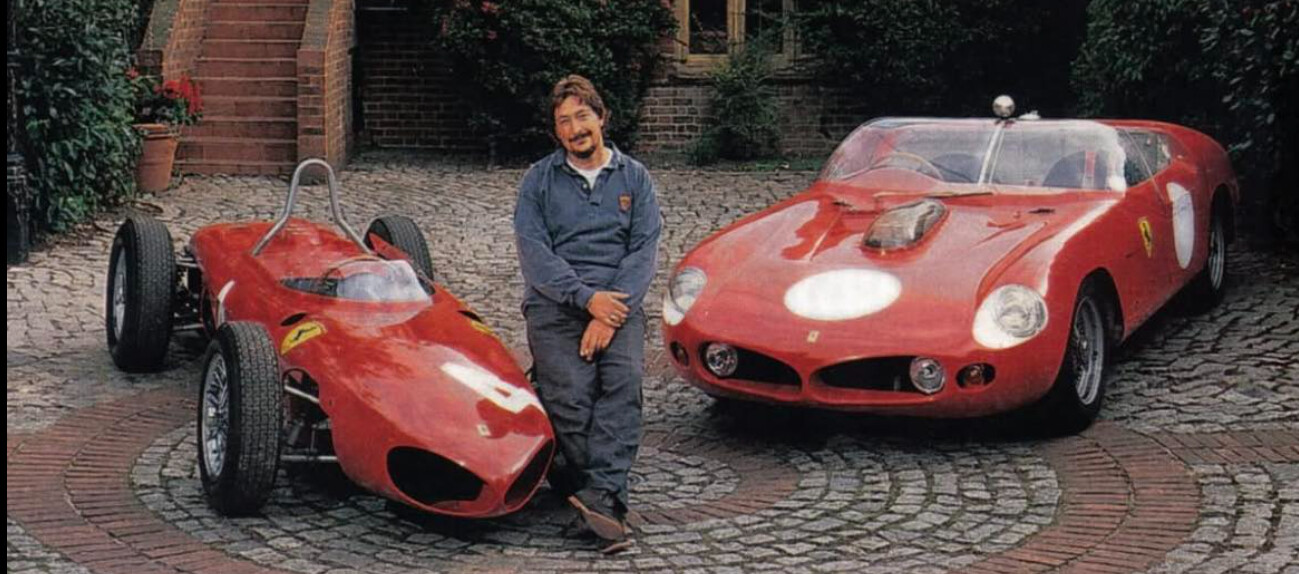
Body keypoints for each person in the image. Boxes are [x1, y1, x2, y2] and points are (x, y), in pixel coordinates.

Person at [513, 75, 661, 543]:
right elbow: (535, 256)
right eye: (564, 121)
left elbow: (643, 253)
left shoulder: (635, 178)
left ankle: (597, 498)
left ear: (602, 117)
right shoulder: (538, 181)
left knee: (623, 384)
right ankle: (604, 497)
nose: (575, 128)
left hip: (618, 304)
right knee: (572, 398)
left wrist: (607, 312)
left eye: (582, 116)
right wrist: (586, 299)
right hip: (556, 306)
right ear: (555, 131)